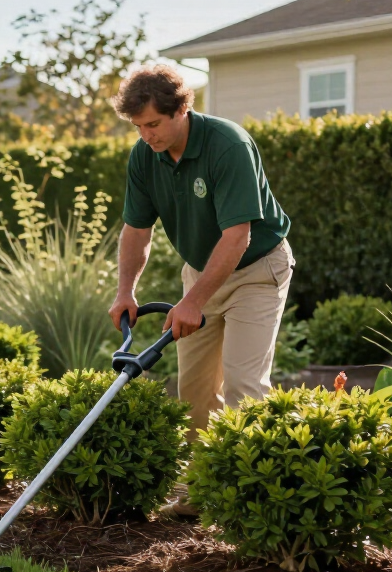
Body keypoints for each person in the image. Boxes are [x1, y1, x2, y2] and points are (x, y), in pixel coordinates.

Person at [107, 64, 294, 460]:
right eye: (138, 126)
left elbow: (237, 237)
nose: (146, 135)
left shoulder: (227, 145)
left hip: (257, 270)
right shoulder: (145, 156)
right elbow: (137, 231)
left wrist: (192, 301)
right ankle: (202, 489)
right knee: (193, 390)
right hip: (201, 271)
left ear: (181, 109)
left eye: (153, 124)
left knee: (245, 384)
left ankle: (252, 494)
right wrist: (126, 291)